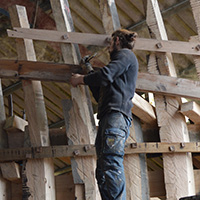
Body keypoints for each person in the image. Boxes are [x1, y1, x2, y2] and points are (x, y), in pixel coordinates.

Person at [70, 29, 139, 200]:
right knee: (102, 170)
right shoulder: (118, 69)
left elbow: (105, 76)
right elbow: (100, 91)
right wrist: (88, 71)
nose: (108, 48)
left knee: (110, 162)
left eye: (110, 43)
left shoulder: (126, 55)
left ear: (116, 40)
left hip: (116, 116)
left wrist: (81, 79)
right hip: (109, 117)